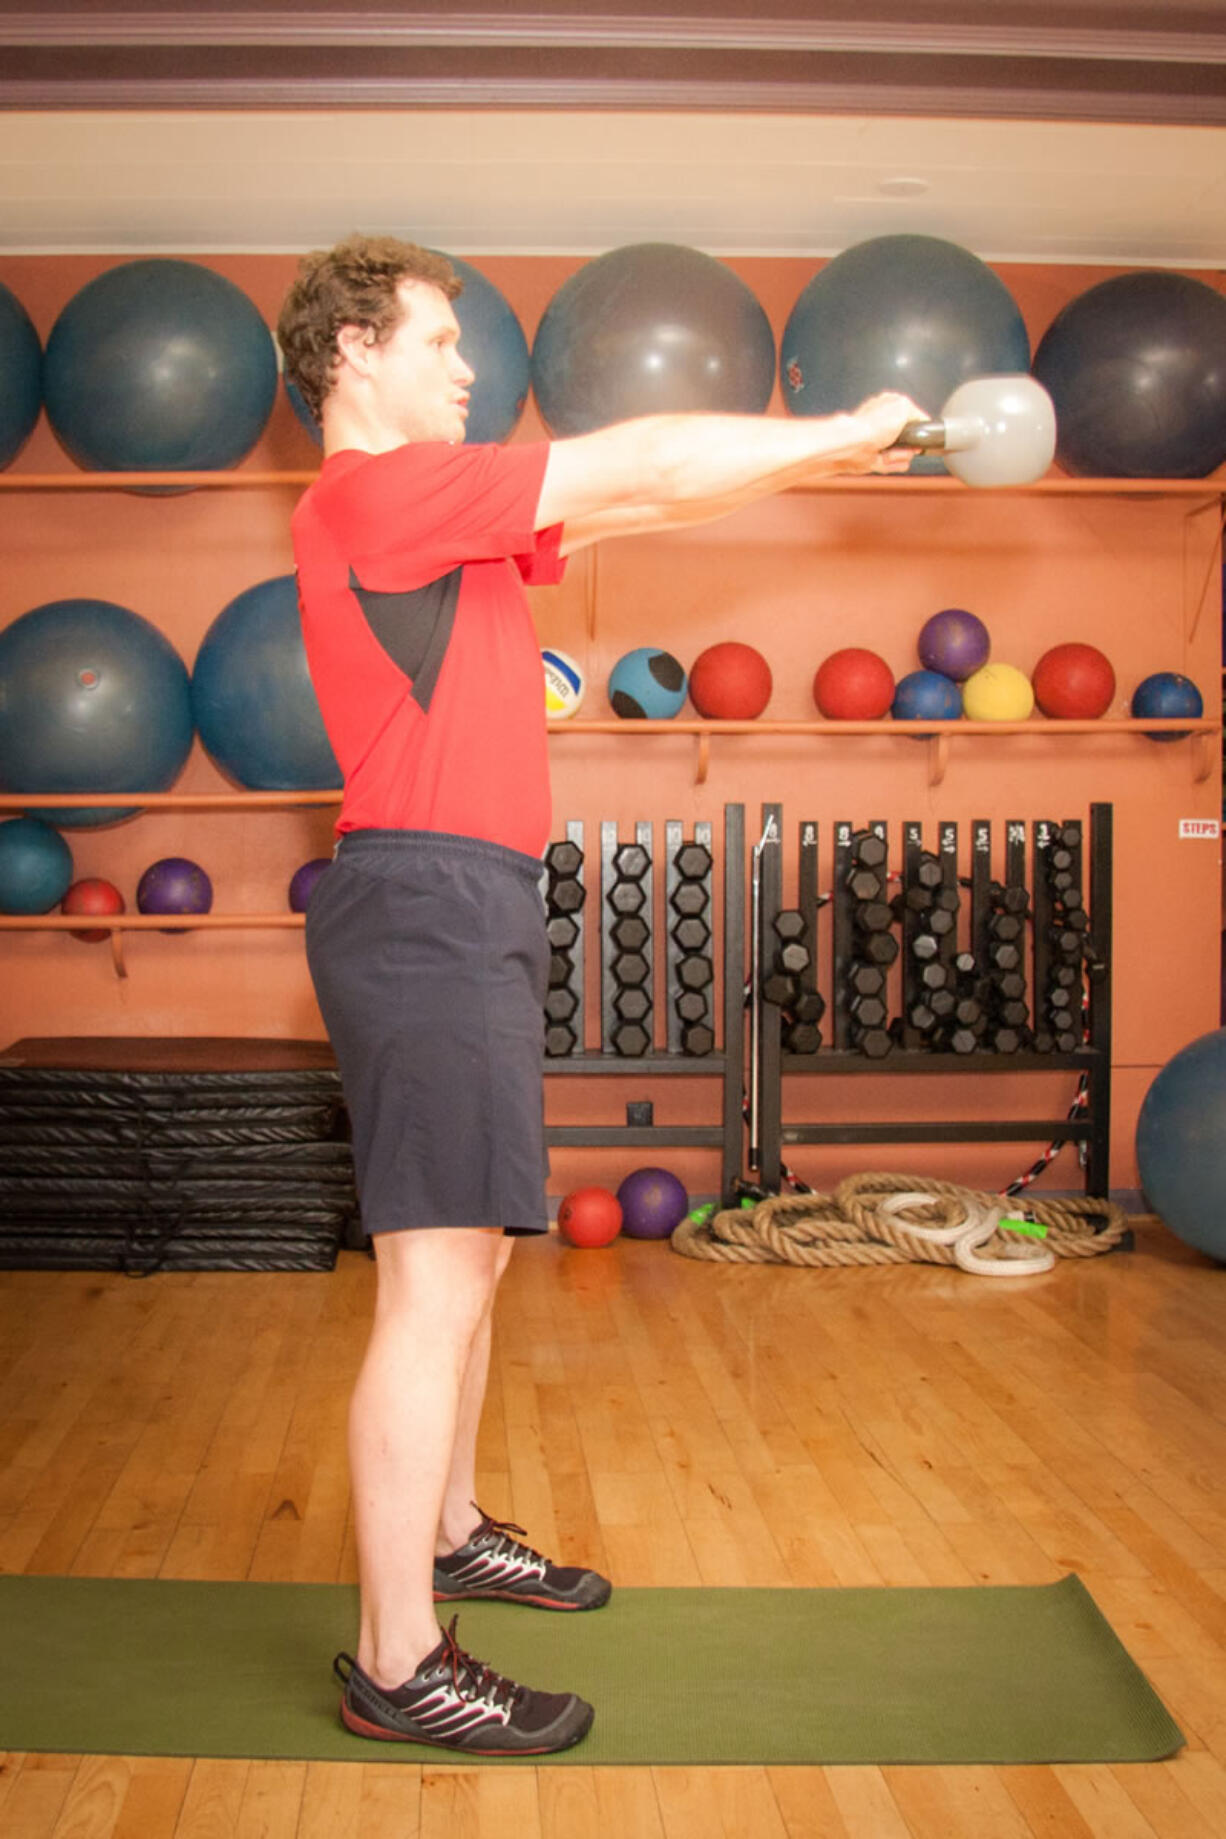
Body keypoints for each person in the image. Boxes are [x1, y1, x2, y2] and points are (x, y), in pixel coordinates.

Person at [277, 233, 924, 1756]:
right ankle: (395, 1658)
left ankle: (442, 1534)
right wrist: (834, 430)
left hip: (463, 898)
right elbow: (625, 456)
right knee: (431, 1284)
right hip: (425, 903)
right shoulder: (378, 493)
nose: (464, 367)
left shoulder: (441, 524)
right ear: (354, 354)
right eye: (437, 340)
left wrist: (818, 468)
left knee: (477, 1265)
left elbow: (646, 490)